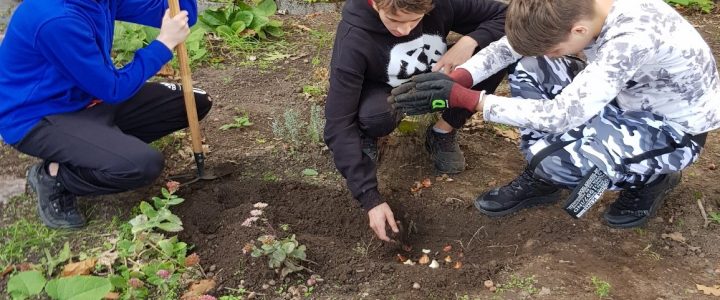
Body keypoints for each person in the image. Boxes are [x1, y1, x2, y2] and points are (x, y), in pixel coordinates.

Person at [389, 0, 719, 228]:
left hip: (671, 128)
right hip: (623, 96)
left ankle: (657, 176)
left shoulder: (630, 38)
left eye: (556, 47)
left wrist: (466, 98)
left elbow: (560, 116)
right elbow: (512, 47)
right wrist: (460, 77)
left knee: (557, 159)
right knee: (531, 65)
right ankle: (545, 181)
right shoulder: (575, 9)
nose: (552, 54)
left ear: (577, 31)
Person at [0, 0, 212, 229]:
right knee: (142, 164)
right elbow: (113, 89)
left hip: (87, 98)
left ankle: (101, 146)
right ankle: (54, 176)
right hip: (36, 117)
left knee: (193, 101)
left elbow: (180, 13)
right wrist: (164, 44)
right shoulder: (55, 19)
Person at [324, 0, 507, 241]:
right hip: (387, 92)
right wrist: (370, 198)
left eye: (416, 20)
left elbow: (509, 15)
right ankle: (366, 138)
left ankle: (443, 131)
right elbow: (338, 123)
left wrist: (469, 41)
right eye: (395, 21)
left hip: (436, 77)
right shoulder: (354, 37)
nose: (406, 30)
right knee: (375, 117)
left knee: (495, 56)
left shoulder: (441, 3)